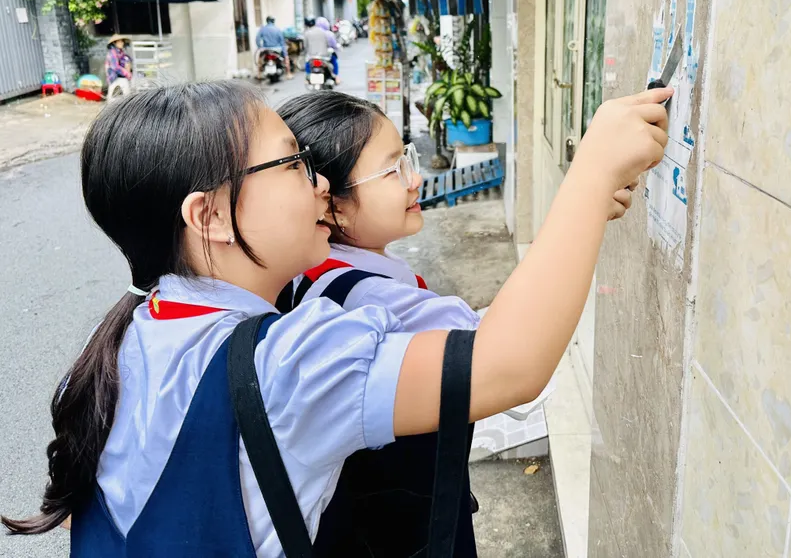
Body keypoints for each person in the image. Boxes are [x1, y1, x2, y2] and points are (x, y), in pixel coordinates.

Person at [1, 81, 671, 556]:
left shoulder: (125, 341)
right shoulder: (289, 363)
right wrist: (589, 173)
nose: (319, 184)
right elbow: (508, 365)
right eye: (292, 163)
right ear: (209, 217)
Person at [277, 92, 630, 555]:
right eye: (392, 170)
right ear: (331, 203)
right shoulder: (366, 299)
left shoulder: (312, 276)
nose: (414, 179)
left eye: (408, 157)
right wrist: (589, 186)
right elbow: (504, 357)